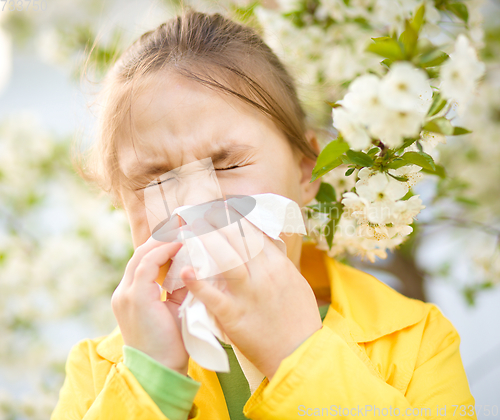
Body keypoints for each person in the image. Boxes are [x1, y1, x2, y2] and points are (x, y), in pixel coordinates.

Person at [51, 8, 477, 420]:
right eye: (155, 177)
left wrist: (297, 353)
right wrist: (150, 385)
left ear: (307, 169)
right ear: (122, 204)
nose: (196, 205)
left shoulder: (417, 342)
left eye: (226, 163)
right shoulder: (100, 372)